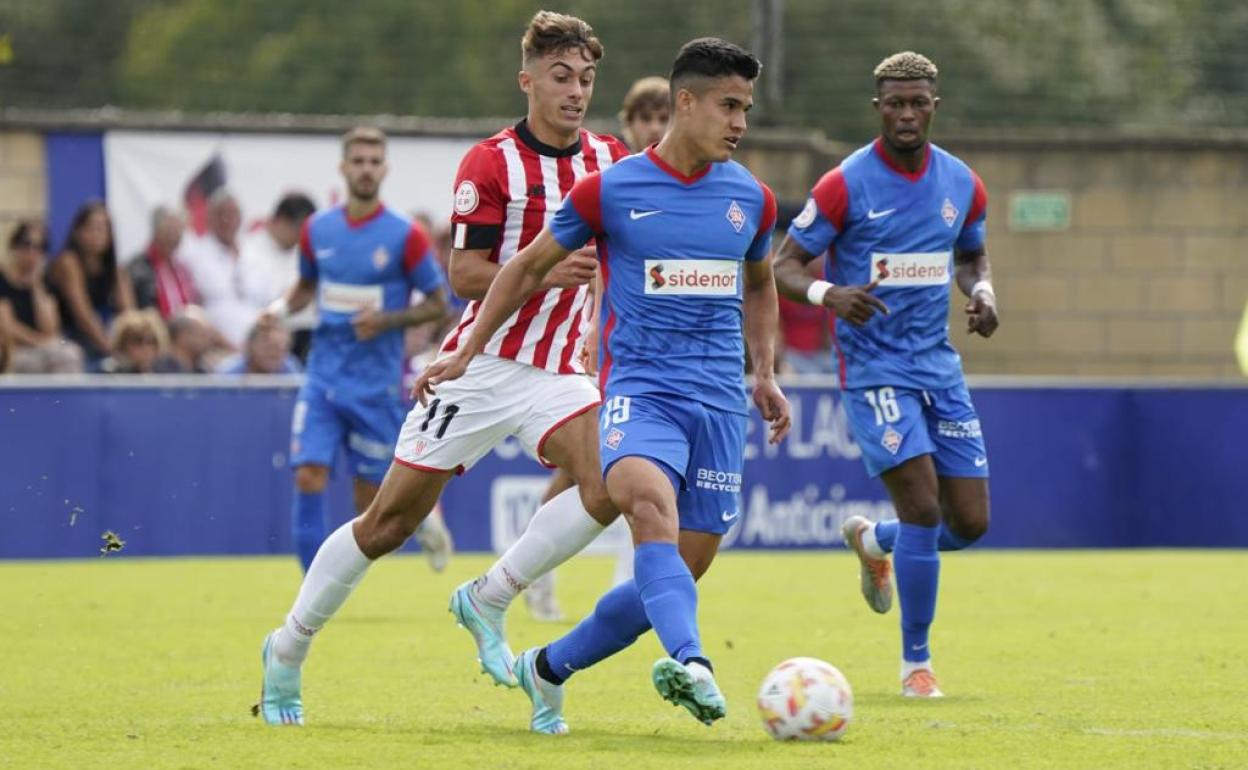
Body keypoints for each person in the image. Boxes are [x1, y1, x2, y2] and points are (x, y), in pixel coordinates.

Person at [253, 12, 629, 727]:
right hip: (479, 365)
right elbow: (462, 275)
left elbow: (613, 253)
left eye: (585, 78)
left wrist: (592, 326)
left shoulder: (609, 158)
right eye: (561, 77)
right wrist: (546, 276)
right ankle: (288, 646)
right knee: (388, 523)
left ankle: (490, 595)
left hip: (555, 371)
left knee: (609, 484)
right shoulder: (490, 163)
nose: (577, 92)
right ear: (527, 81)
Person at [419, 36, 792, 733]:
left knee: (675, 571)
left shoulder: (753, 198)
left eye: (745, 108)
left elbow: (761, 283)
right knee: (648, 506)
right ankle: (694, 663)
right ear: (686, 103)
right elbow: (526, 267)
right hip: (640, 394)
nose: (741, 123)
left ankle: (546, 668)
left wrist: (765, 372)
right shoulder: (611, 190)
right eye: (729, 106)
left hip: (718, 403)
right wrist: (468, 348)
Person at [772, 51, 999, 699]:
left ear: (934, 106)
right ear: (878, 108)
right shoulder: (845, 184)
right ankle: (915, 664)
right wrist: (829, 295)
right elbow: (784, 265)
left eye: (917, 103)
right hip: (874, 369)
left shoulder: (962, 183)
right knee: (923, 506)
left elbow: (972, 257)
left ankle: (876, 542)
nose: (906, 114)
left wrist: (984, 293)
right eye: (895, 103)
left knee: (969, 524)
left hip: (938, 367)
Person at [249, 126, 452, 581]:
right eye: (358, 161)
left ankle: (424, 518)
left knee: (370, 506)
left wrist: (386, 321)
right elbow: (305, 289)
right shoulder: (318, 229)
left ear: (385, 169)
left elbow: (438, 304)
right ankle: (312, 589)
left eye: (374, 162)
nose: (365, 169)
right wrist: (277, 311)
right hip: (323, 377)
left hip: (375, 386)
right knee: (308, 474)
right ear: (343, 167)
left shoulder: (404, 234)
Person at [523, 73, 673, 621]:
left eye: (663, 118)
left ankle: (543, 573)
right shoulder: (612, 179)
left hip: (654, 345)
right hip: (608, 343)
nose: (654, 128)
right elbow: (594, 264)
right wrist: (592, 327)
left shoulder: (676, 183)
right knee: (619, 467)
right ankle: (546, 575)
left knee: (605, 470)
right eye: (645, 118)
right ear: (627, 124)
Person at [47, 201, 135, 366]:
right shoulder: (68, 263)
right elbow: (83, 315)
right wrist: (110, 348)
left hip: (104, 334)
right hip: (70, 337)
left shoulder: (115, 269)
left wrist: (131, 343)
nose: (97, 234)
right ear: (78, 232)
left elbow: (129, 314)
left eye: (103, 229)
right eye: (92, 228)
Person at [241, 193, 318, 361]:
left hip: (307, 332)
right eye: (300, 229)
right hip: (268, 333)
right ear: (281, 221)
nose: (302, 236)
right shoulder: (250, 251)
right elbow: (260, 295)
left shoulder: (302, 252)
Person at [0, 221, 83, 373]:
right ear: (14, 246)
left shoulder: (45, 283)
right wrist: (41, 342)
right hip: (12, 350)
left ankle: (63, 392)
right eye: (27, 244)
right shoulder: (3, 280)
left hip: (41, 348)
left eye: (40, 247)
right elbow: (7, 327)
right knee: (35, 361)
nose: (33, 253)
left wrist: (36, 286)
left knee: (70, 354)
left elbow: (50, 328)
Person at [182, 189, 256, 347]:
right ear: (209, 218)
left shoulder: (254, 254)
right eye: (221, 214)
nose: (227, 220)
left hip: (258, 347)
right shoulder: (194, 255)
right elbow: (190, 308)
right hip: (214, 347)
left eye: (233, 214)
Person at [128, 207, 200, 321]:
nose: (173, 238)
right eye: (168, 232)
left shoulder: (182, 268)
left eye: (178, 233)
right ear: (155, 232)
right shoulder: (137, 268)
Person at [217, 319, 301, 375]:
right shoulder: (227, 376)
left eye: (279, 348)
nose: (273, 353)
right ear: (250, 346)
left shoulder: (292, 371)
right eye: (268, 347)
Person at [100, 309, 167, 374]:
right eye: (138, 341)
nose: (145, 348)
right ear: (123, 344)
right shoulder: (109, 374)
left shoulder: (165, 375)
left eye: (151, 342)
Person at [153, 306, 215, 374]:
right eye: (201, 334)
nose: (206, 340)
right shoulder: (160, 371)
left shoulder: (202, 370)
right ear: (182, 335)